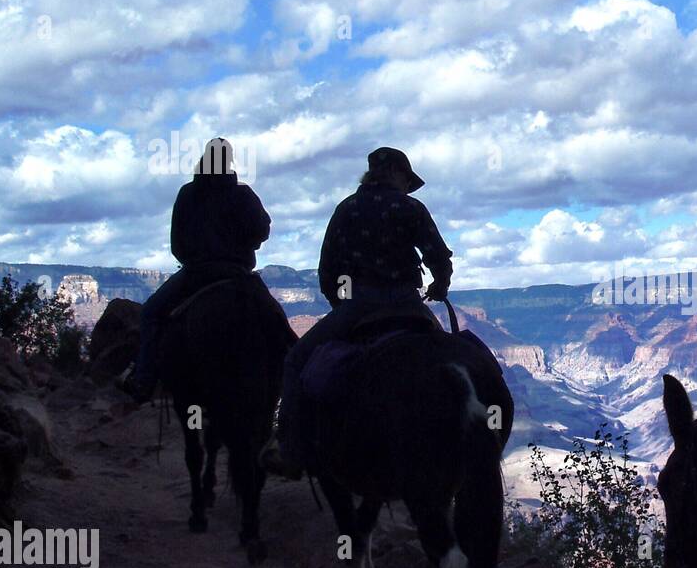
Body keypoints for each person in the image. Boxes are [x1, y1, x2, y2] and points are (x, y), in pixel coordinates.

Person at [265, 146, 453, 476]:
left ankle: (291, 451)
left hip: (359, 304)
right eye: (406, 179)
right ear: (396, 173)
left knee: (295, 361)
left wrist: (342, 305)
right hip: (409, 303)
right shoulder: (410, 207)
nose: (406, 186)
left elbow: (328, 271)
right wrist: (440, 285)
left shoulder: (346, 209)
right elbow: (438, 256)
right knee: (451, 362)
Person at [121, 138, 273, 402]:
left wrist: (195, 258)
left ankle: (143, 381)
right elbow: (262, 230)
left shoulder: (188, 194)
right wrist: (247, 245)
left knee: (152, 314)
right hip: (237, 274)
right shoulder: (243, 194)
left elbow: (177, 244)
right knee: (274, 321)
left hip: (195, 275)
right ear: (230, 160)